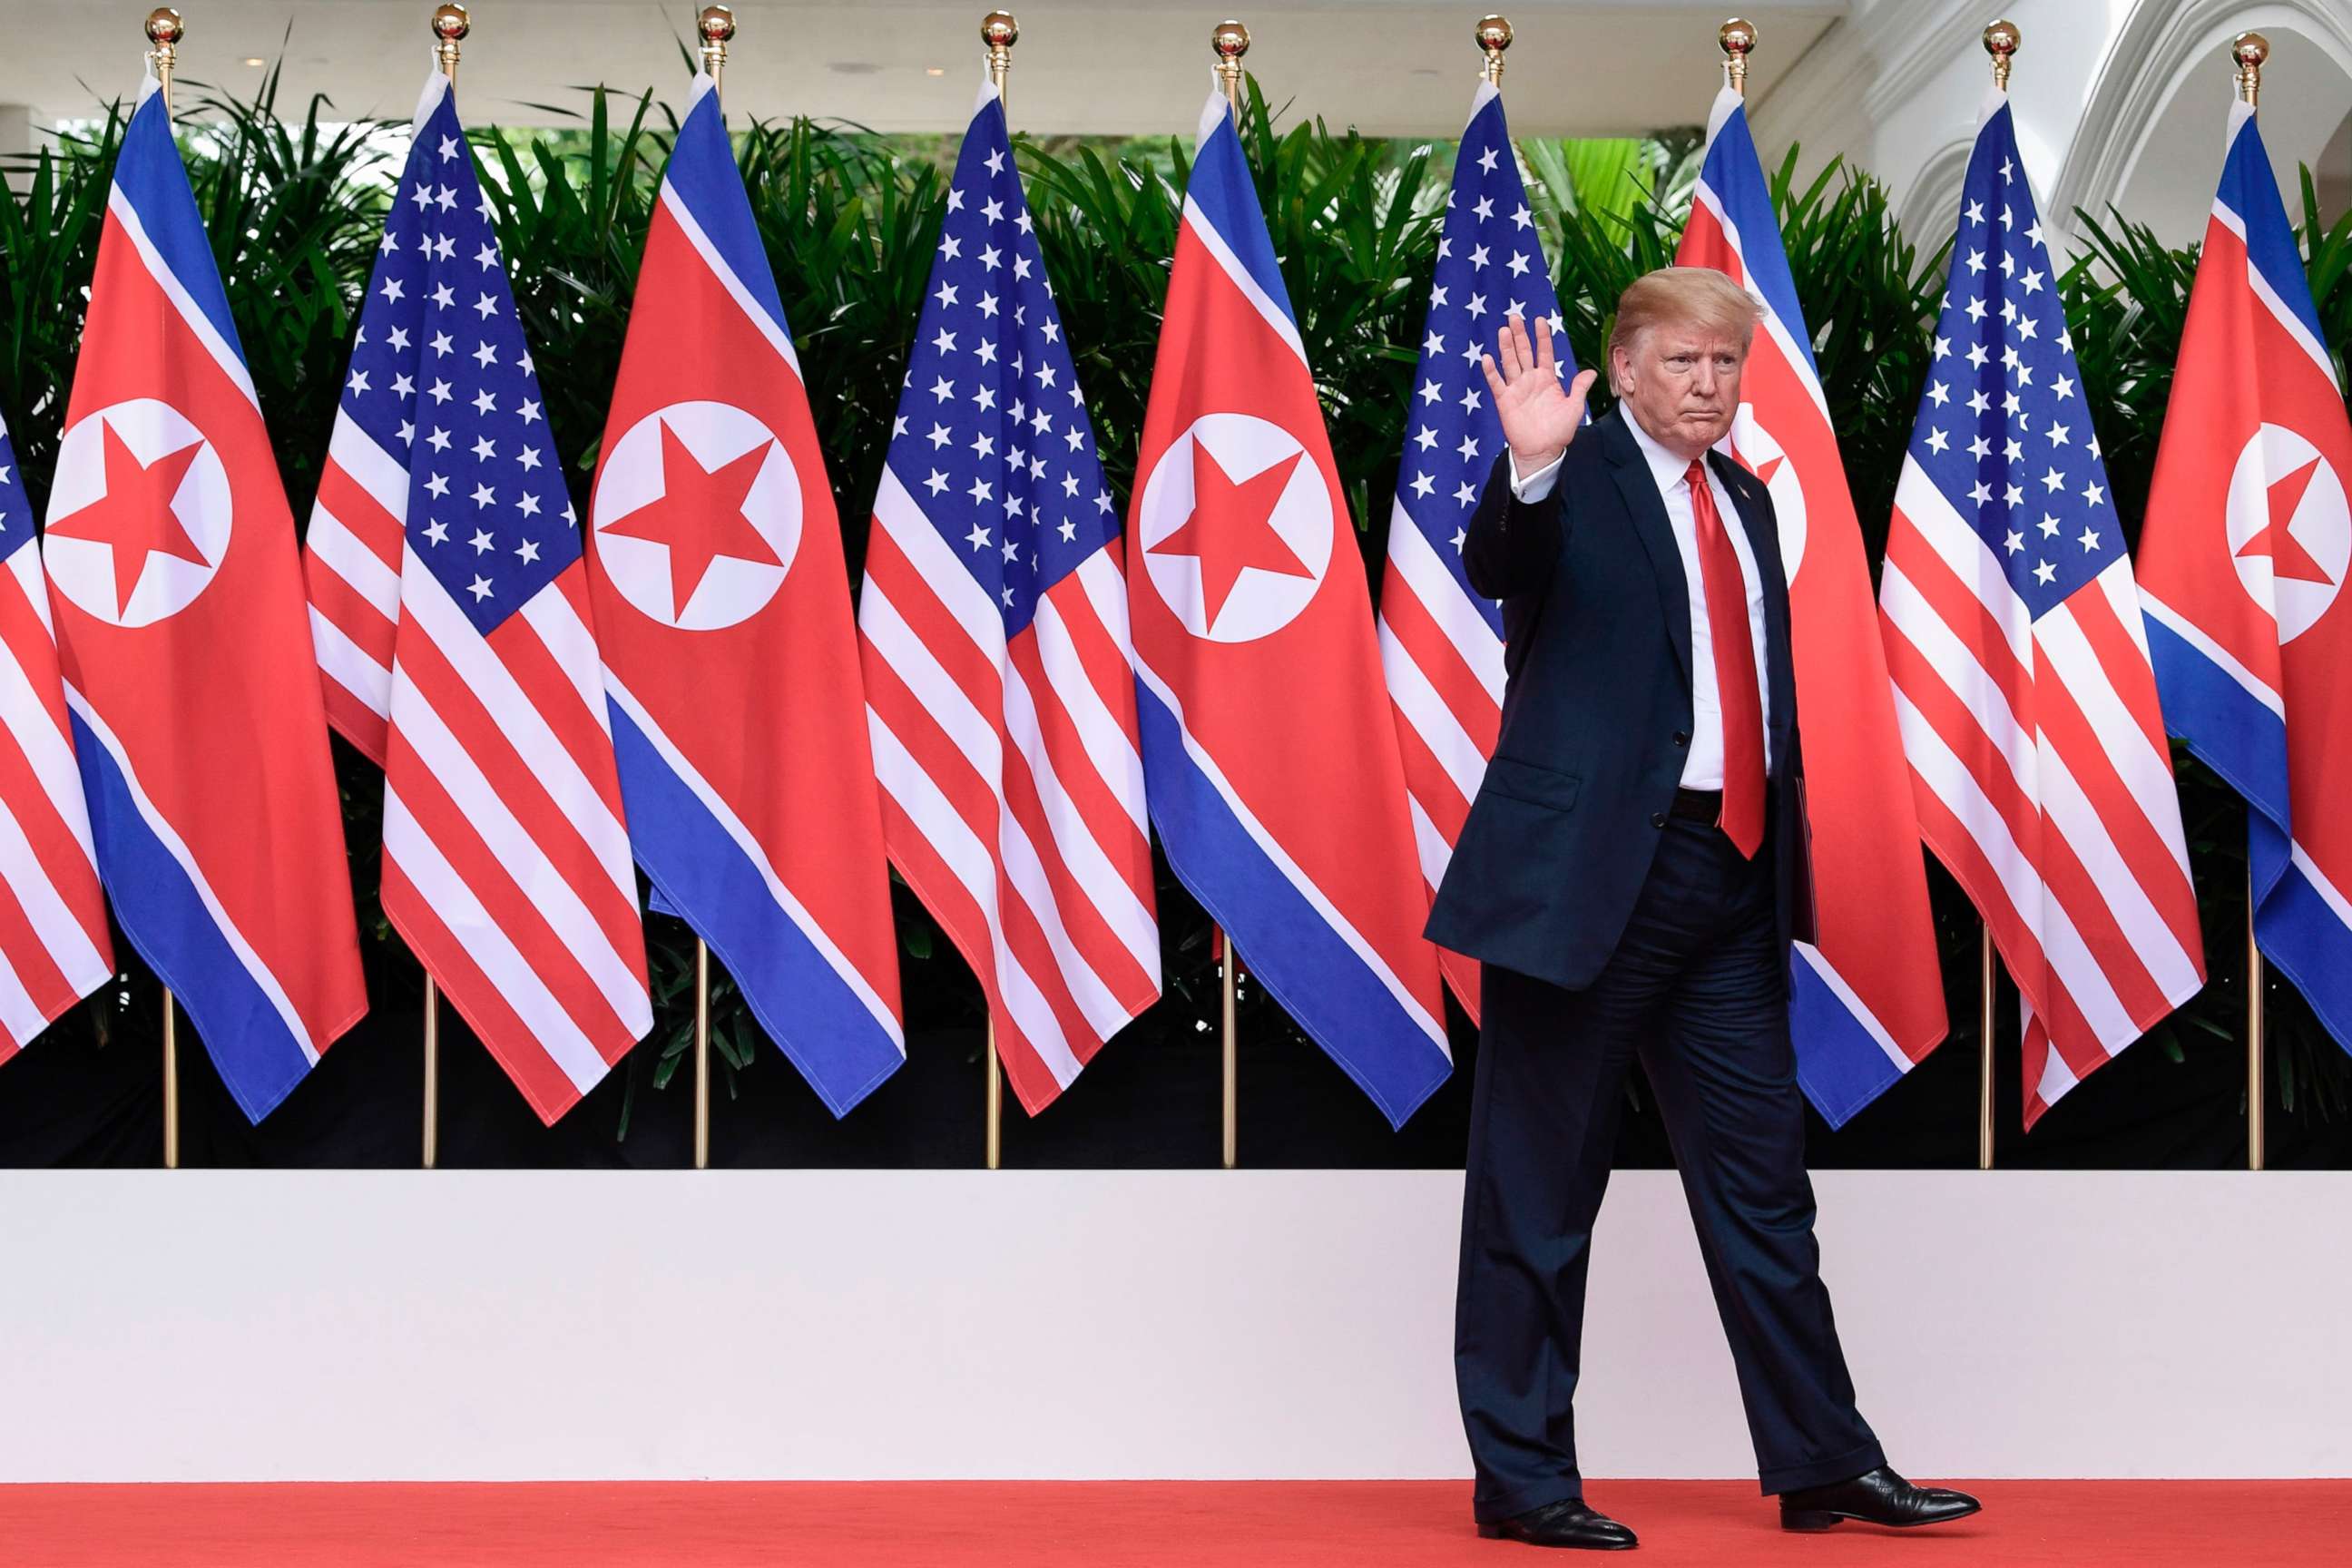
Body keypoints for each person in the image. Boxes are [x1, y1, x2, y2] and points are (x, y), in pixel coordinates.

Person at [1426, 267, 1981, 1551]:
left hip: (1727, 882)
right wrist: (1530, 467)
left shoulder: (1746, 500)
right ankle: (1522, 1480)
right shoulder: (1573, 475)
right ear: (1622, 371)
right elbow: (1501, 561)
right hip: (1588, 886)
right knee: (1539, 1193)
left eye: (1726, 366)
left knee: (1766, 1193)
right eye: (1681, 362)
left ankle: (1825, 1463)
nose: (1708, 385)